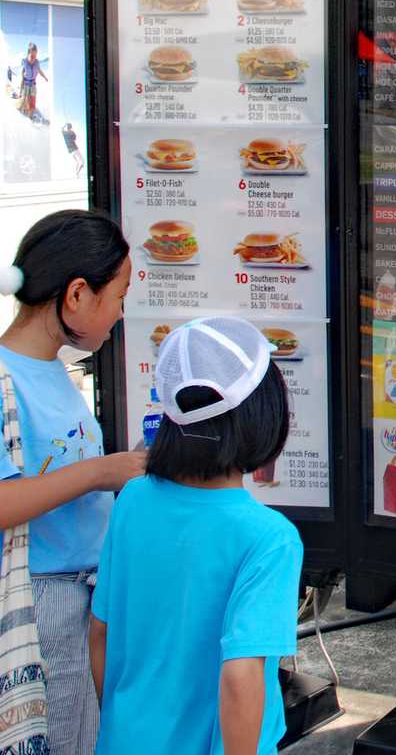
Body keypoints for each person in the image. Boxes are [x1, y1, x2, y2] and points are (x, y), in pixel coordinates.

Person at [0, 209, 144, 755]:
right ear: (77, 294)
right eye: (119, 297)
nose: (121, 314)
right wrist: (98, 472)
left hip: (79, 606)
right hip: (29, 608)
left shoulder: (55, 371)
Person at [91, 316, 302, 755]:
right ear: (264, 416)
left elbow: (101, 632)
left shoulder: (132, 499)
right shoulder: (269, 539)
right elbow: (241, 675)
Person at [20, 42, 48, 119]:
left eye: (35, 56)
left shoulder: (37, 62)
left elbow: (39, 70)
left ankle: (31, 114)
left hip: (33, 85)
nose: (33, 58)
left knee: (33, 102)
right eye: (32, 56)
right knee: (27, 102)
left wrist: (45, 77)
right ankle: (26, 112)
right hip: (26, 85)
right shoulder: (24, 62)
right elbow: (22, 77)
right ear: (28, 54)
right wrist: (21, 90)